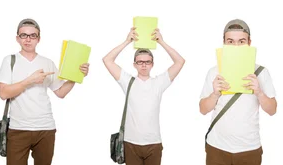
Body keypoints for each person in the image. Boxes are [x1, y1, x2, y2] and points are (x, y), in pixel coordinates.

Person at [0, 18, 90, 165]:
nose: (28, 39)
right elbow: (3, 93)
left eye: (33, 35)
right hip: (18, 129)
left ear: (38, 39)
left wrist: (76, 77)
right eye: (23, 35)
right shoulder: (10, 60)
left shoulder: (47, 62)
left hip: (46, 128)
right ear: (17, 38)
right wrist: (29, 80)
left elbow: (60, 92)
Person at [102, 27, 185, 165]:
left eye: (147, 62)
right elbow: (107, 60)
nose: (144, 65)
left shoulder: (159, 82)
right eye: (140, 62)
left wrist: (162, 42)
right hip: (130, 143)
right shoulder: (127, 81)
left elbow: (180, 61)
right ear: (134, 64)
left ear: (152, 64)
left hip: (154, 144)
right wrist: (127, 41)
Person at [199, 19, 276, 165]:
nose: (236, 46)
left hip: (249, 149)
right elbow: (203, 110)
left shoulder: (262, 72)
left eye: (241, 41)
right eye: (230, 41)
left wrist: (259, 92)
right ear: (224, 43)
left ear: (249, 42)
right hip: (217, 147)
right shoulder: (213, 72)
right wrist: (215, 93)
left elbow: (272, 110)